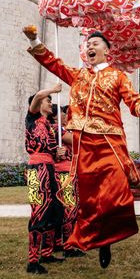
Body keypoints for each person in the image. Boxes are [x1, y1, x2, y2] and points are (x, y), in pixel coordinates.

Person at [24, 26, 140, 268]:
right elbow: (54, 64)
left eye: (96, 44)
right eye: (88, 45)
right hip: (84, 144)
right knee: (90, 200)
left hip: (109, 143)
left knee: (116, 192)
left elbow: (133, 99)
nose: (90, 47)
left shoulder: (117, 76)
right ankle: (99, 241)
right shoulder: (78, 75)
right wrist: (34, 40)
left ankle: (109, 238)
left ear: (107, 51)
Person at [24, 85, 67, 274]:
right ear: (40, 103)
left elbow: (54, 153)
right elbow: (40, 95)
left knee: (54, 211)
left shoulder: (49, 127)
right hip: (35, 169)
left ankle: (47, 253)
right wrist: (53, 90)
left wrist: (58, 153)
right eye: (49, 101)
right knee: (39, 213)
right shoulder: (32, 117)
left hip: (49, 167)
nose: (51, 104)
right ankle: (32, 262)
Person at [54, 105, 85, 258]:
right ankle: (68, 246)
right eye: (63, 114)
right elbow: (76, 141)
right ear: (56, 116)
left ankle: (61, 242)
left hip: (70, 171)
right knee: (69, 208)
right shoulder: (57, 129)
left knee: (69, 208)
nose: (66, 116)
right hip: (64, 172)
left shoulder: (63, 128)